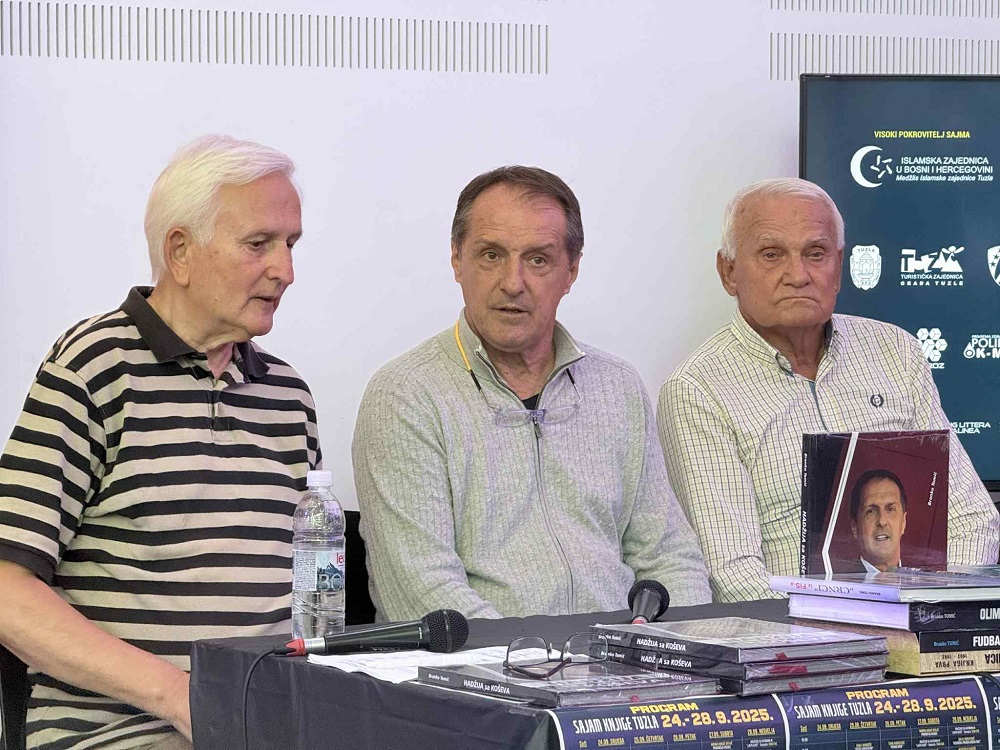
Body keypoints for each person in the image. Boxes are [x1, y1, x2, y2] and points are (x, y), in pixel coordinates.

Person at [0, 135, 321, 749]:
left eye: (291, 244)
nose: (285, 270)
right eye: (259, 244)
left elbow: (311, 593)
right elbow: (7, 589)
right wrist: (179, 696)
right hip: (122, 731)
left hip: (267, 729)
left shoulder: (289, 397)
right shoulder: (93, 368)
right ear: (180, 252)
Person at [353, 166, 711, 622]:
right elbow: (424, 592)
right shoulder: (405, 396)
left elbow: (670, 558)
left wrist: (674, 647)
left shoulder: (617, 387)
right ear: (456, 260)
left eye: (538, 259)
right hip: (484, 665)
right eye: (491, 255)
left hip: (622, 659)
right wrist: (540, 658)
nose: (512, 282)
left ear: (571, 270)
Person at [657, 177, 999, 603]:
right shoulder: (698, 390)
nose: (798, 275)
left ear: (839, 265)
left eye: (815, 253)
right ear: (729, 272)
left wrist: (925, 611)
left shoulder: (895, 352)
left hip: (921, 621)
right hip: (793, 634)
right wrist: (859, 624)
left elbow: (971, 521)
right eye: (771, 254)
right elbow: (732, 574)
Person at [849, 469, 907, 573]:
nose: (882, 521)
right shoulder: (839, 582)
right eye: (871, 511)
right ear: (854, 527)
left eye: (890, 509)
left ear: (903, 521)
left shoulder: (922, 581)